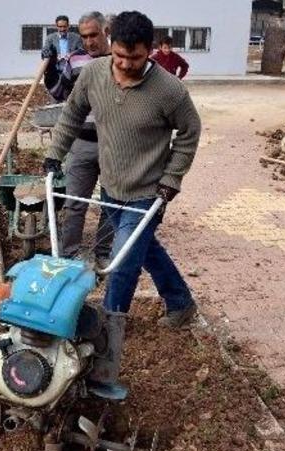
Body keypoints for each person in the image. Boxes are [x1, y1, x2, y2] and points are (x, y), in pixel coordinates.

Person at [43, 11, 201, 400]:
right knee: (146, 249)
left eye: (136, 58)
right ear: (110, 45)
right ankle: (181, 302)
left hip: (148, 191)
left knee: (122, 264)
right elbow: (72, 113)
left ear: (150, 50)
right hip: (112, 186)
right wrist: (53, 156)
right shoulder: (94, 74)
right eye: (120, 57)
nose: (126, 65)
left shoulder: (169, 91)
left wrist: (171, 179)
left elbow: (190, 132)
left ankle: (105, 345)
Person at [43, 11, 114, 266]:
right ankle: (68, 256)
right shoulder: (75, 61)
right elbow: (59, 94)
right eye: (84, 36)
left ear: (106, 32)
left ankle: (103, 254)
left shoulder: (121, 60)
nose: (89, 41)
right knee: (74, 203)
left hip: (114, 147)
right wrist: (51, 68)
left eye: (93, 35)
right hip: (81, 144)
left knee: (111, 203)